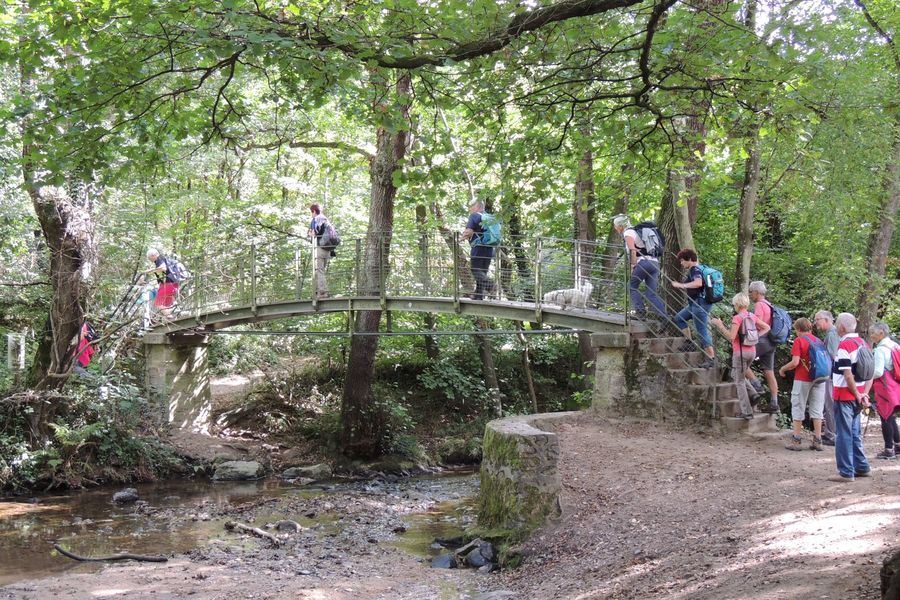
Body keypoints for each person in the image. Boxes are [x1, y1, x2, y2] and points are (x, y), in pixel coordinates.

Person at [711, 293, 770, 420]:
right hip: (752, 352)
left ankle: (747, 412)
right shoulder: (752, 316)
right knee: (736, 375)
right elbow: (766, 327)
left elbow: (731, 337)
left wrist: (720, 325)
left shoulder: (737, 318)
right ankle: (754, 395)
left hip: (740, 353)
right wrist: (756, 337)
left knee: (739, 381)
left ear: (737, 304)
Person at [828, 312, 872, 482]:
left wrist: (857, 394)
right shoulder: (864, 344)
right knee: (854, 432)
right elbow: (870, 374)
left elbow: (847, 376)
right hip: (858, 395)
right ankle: (862, 466)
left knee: (844, 433)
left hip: (844, 396)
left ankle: (846, 472)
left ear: (841, 327)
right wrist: (863, 394)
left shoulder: (845, 345)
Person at [778, 318, 827, 451]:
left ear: (798, 329)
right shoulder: (818, 341)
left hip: (803, 378)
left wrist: (783, 369)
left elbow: (795, 362)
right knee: (817, 409)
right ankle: (818, 440)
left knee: (798, 406)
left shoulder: (799, 341)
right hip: (820, 378)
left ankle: (797, 440)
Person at [612, 215, 666, 322]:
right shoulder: (636, 231)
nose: (615, 228)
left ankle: (640, 313)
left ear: (620, 226)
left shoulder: (628, 233)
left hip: (643, 262)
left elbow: (633, 250)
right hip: (655, 263)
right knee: (651, 293)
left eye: (615, 226)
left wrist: (633, 265)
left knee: (632, 286)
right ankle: (663, 316)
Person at [670, 248, 716, 368]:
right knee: (680, 318)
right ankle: (689, 342)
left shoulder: (695, 269)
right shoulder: (700, 268)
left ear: (689, 259)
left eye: (682, 261)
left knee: (701, 331)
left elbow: (698, 283)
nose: (681, 263)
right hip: (695, 304)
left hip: (700, 305)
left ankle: (711, 358)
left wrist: (681, 285)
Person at [866, 322, 900, 460]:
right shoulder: (895, 345)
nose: (871, 336)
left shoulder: (880, 350)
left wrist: (866, 377)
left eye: (873, 333)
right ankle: (898, 445)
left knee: (885, 417)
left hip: (884, 387)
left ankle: (888, 449)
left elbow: (879, 371)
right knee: (891, 416)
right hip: (895, 384)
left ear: (881, 332)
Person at [747, 281, 780, 414]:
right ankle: (774, 402)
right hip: (771, 341)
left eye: (751, 292)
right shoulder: (769, 305)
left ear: (756, 292)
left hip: (762, 339)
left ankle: (756, 384)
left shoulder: (759, 305)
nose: (750, 295)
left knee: (741, 361)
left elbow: (757, 324)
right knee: (769, 371)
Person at [814, 310, 840, 446]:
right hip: (833, 375)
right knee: (828, 404)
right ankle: (831, 432)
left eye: (817, 319)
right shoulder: (833, 333)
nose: (815, 322)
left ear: (826, 320)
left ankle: (832, 435)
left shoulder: (832, 334)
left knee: (830, 404)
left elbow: (832, 356)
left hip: (831, 375)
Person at [462, 200, 495, 300]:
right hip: (489, 248)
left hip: (478, 247)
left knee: (475, 269)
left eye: (471, 206)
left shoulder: (474, 216)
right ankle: (478, 295)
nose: (470, 209)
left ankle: (490, 285)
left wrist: (460, 238)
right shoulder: (490, 217)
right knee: (482, 272)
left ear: (477, 206)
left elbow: (468, 232)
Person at [307, 203, 334, 299]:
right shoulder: (325, 219)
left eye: (311, 212)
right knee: (321, 270)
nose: (311, 214)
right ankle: (320, 292)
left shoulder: (316, 219)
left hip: (319, 248)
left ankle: (322, 293)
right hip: (328, 249)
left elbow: (314, 233)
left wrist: (310, 234)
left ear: (314, 211)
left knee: (319, 270)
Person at [144, 249, 178, 319]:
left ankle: (170, 316)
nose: (149, 260)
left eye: (149, 258)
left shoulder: (159, 259)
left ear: (153, 256)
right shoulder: (165, 259)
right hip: (174, 283)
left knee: (158, 303)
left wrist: (150, 271)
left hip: (167, 284)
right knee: (167, 305)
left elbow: (163, 268)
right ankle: (173, 315)